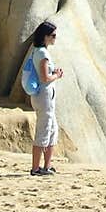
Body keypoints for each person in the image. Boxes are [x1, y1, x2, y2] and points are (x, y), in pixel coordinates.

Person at [27, 20, 63, 176]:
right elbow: (44, 77)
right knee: (44, 130)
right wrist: (57, 75)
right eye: (53, 35)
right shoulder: (42, 54)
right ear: (45, 37)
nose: (55, 38)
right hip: (44, 97)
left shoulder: (38, 51)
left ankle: (47, 166)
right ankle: (36, 168)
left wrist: (53, 73)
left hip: (45, 97)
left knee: (52, 130)